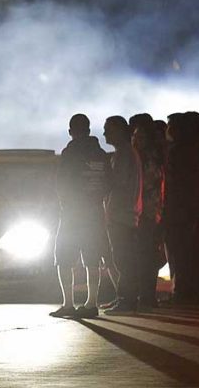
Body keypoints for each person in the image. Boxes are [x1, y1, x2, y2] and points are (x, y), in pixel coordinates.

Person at [49, 114, 110, 318]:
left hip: (73, 214)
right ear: (89, 130)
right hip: (94, 212)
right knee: (92, 258)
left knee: (64, 257)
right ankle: (91, 303)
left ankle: (68, 303)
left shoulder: (70, 153)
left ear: (71, 132)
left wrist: (65, 203)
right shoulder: (101, 154)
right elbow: (108, 183)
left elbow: (62, 184)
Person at [164, 113, 199, 303]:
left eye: (170, 125)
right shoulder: (198, 150)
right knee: (193, 251)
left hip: (178, 210)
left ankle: (180, 290)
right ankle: (194, 288)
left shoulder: (177, 152)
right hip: (193, 209)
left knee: (179, 252)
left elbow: (174, 184)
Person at [103, 116, 142, 314]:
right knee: (122, 258)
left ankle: (127, 300)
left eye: (108, 130)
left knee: (123, 259)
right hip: (125, 213)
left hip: (121, 214)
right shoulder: (127, 153)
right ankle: (123, 297)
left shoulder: (124, 155)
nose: (104, 134)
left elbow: (118, 184)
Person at [133, 120, 165, 311]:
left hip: (147, 213)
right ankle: (144, 295)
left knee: (146, 256)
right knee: (144, 255)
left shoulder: (148, 159)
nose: (135, 139)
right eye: (134, 136)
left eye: (140, 136)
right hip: (145, 213)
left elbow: (149, 186)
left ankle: (146, 295)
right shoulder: (140, 157)